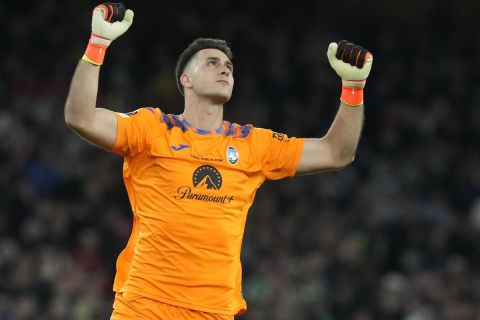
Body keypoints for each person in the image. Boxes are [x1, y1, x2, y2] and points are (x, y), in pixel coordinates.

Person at [64, 3, 373, 320]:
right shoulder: (151, 129)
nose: (224, 69)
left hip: (214, 312)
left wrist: (353, 89)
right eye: (211, 63)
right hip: (145, 306)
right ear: (186, 79)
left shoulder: (253, 144)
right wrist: (97, 45)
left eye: (228, 65)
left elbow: (337, 152)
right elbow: (81, 118)